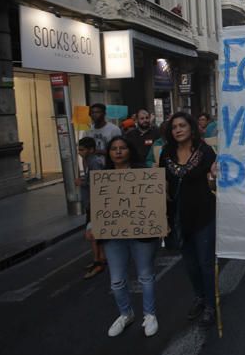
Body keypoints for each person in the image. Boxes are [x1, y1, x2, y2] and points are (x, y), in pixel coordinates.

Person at [160, 112, 217, 327]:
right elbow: (161, 183)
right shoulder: (166, 153)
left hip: (204, 215)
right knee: (190, 264)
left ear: (191, 128)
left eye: (182, 125)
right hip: (178, 218)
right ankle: (199, 297)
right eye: (174, 127)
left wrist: (214, 176)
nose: (178, 129)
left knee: (205, 263)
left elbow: (214, 184)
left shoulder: (206, 152)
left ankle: (211, 304)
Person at [101, 136, 160, 337]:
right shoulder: (102, 176)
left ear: (129, 151)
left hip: (142, 233)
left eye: (122, 148)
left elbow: (156, 202)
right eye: (114, 149)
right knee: (116, 281)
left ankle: (150, 315)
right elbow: (95, 206)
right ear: (109, 153)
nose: (118, 152)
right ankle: (125, 314)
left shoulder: (143, 173)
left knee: (146, 275)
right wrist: (92, 224)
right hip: (113, 235)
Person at [76, 137, 106, 278]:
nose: (79, 152)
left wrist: (82, 183)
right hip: (91, 203)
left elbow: (97, 183)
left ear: (91, 150)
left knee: (93, 234)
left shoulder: (94, 162)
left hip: (95, 204)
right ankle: (100, 258)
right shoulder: (89, 162)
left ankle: (98, 261)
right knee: (95, 233)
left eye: (82, 149)